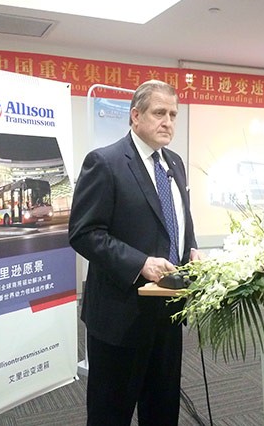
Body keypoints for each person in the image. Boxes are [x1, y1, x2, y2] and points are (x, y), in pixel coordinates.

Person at [69, 80, 200, 425]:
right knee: (111, 414)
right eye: (159, 113)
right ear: (135, 116)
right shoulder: (105, 162)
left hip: (168, 310)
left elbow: (179, 217)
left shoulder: (174, 163)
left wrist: (191, 249)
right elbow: (84, 233)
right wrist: (140, 263)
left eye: (173, 114)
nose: (168, 122)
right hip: (120, 316)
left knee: (162, 409)